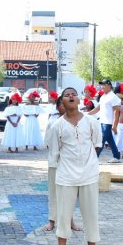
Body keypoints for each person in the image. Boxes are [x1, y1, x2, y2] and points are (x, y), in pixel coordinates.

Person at [46, 87, 111, 245]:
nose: (71, 96)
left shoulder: (91, 121)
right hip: (66, 175)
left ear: (79, 99)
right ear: (62, 102)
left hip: (89, 174)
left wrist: (88, 162)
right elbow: (54, 152)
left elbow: (97, 144)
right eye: (67, 95)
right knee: (63, 214)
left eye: (73, 94)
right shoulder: (57, 125)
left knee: (91, 214)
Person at [43, 94, 81, 232]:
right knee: (54, 193)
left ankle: (70, 221)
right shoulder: (53, 122)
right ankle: (52, 221)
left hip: (70, 164)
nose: (64, 107)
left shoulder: (77, 122)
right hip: (55, 162)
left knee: (70, 193)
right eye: (61, 104)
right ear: (58, 106)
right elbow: (49, 144)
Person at [89, 79, 121, 163]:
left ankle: (94, 158)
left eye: (104, 85)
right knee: (110, 140)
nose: (102, 87)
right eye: (101, 85)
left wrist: (114, 125)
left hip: (108, 123)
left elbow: (116, 111)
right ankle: (116, 156)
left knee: (101, 140)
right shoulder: (103, 97)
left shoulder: (113, 97)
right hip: (102, 121)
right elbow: (97, 108)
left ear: (109, 86)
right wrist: (87, 114)